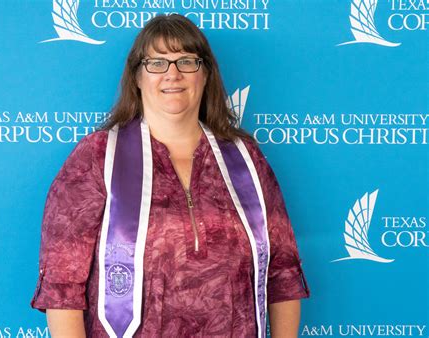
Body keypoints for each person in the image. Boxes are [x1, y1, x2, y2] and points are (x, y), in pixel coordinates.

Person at [31, 14, 309, 338]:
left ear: (205, 74)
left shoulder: (246, 159)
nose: (173, 74)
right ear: (136, 76)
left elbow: (283, 273)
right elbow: (63, 287)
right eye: (157, 63)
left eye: (187, 61)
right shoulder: (98, 157)